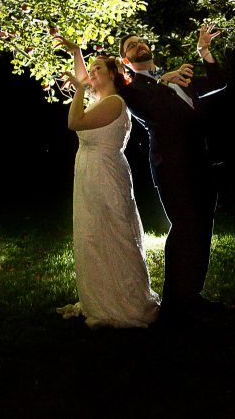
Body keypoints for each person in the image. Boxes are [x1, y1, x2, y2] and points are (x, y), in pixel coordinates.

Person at [117, 24, 226, 324]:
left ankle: (193, 295)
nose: (138, 45)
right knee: (185, 228)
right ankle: (174, 303)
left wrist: (204, 52)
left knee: (203, 228)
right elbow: (152, 111)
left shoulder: (178, 75)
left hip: (202, 163)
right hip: (172, 168)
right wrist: (163, 81)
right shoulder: (133, 90)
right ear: (126, 60)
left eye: (140, 41)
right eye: (131, 46)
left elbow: (219, 82)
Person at [53, 37, 160, 329]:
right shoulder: (99, 101)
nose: (91, 73)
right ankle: (100, 299)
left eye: (98, 68)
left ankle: (126, 304)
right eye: (91, 69)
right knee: (93, 236)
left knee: (114, 234)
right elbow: (84, 79)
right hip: (89, 174)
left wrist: (78, 89)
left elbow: (74, 122)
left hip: (106, 175)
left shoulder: (114, 103)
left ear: (112, 74)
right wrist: (76, 52)